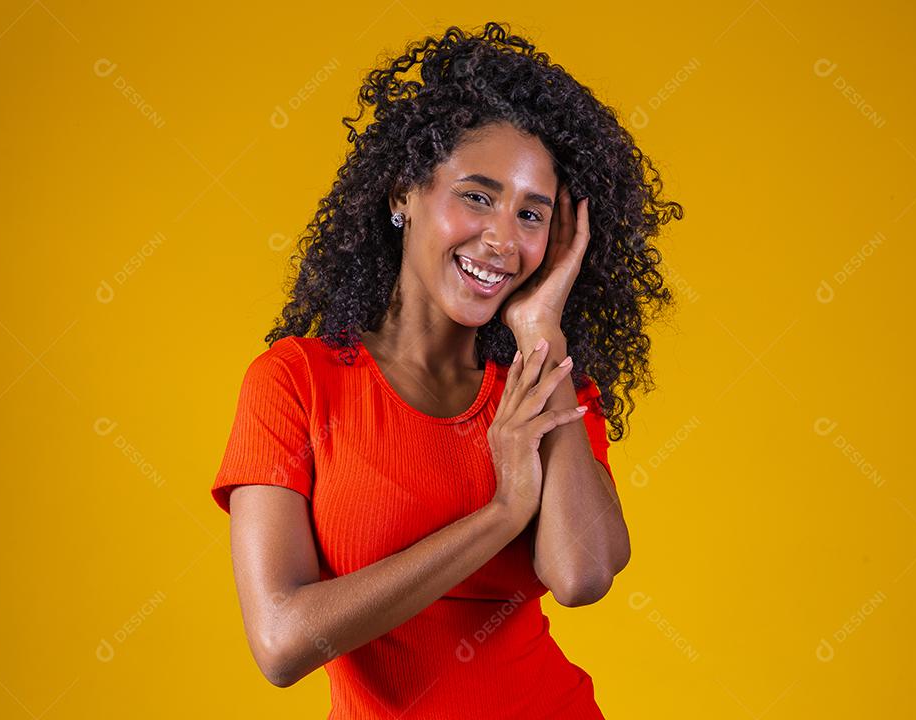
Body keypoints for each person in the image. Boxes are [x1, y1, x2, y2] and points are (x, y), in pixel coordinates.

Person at [209, 20, 683, 718]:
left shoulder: (544, 384)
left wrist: (542, 338)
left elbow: (581, 574)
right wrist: (501, 513)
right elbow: (281, 641)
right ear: (404, 193)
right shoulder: (296, 383)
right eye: (478, 195)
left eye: (532, 214)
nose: (501, 238)